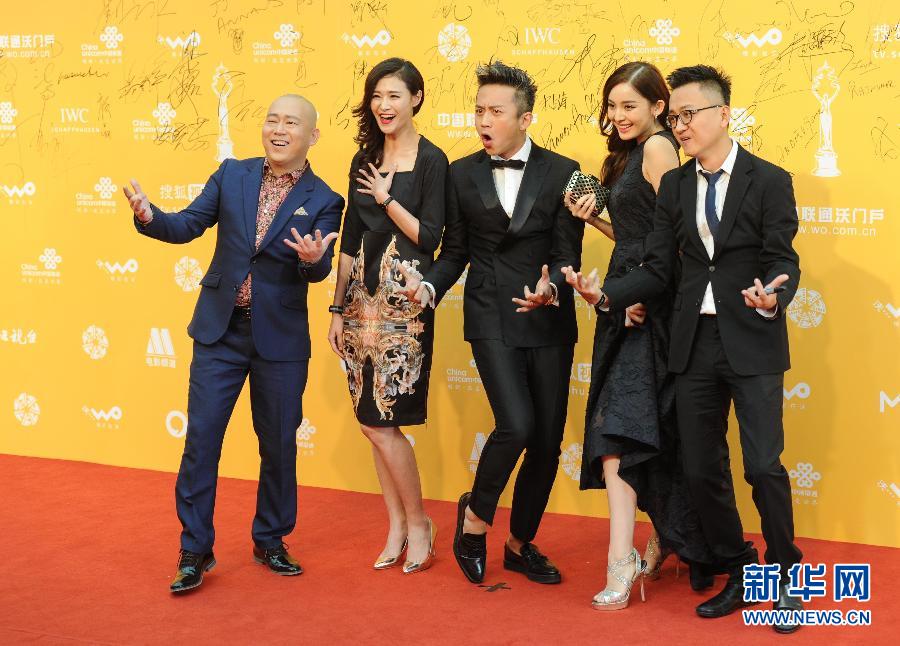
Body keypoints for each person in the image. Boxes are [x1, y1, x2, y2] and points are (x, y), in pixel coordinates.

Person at [575, 65, 804, 633]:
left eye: (689, 115)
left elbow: (782, 259)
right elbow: (658, 264)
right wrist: (607, 294)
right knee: (701, 470)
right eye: (674, 117)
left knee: (763, 466)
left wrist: (773, 297)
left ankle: (785, 577)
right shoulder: (675, 185)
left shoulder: (769, 179)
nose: (679, 126)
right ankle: (738, 568)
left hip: (752, 339)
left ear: (723, 114)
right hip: (693, 343)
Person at [122, 94, 344, 593]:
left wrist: (313, 261)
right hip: (219, 332)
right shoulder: (232, 174)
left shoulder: (326, 198)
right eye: (272, 119)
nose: (279, 129)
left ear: (312, 136)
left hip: (279, 340)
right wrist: (150, 216)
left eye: (291, 123)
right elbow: (187, 225)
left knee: (278, 442)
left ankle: (270, 539)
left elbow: (320, 266)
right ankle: (194, 549)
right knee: (201, 440)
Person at [400, 61, 584, 585]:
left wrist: (553, 288)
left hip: (548, 317)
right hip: (489, 315)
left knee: (546, 441)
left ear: (525, 119)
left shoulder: (567, 169)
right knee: (517, 425)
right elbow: (455, 250)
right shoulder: (460, 173)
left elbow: (568, 251)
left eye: (495, 111)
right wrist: (429, 287)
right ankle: (476, 518)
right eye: (479, 110)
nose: (483, 120)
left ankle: (521, 544)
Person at [562, 61, 714, 611]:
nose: (618, 115)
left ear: (658, 106)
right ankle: (663, 538)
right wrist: (594, 220)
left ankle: (621, 560)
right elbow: (636, 234)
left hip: (647, 308)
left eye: (630, 105)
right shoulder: (628, 154)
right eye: (612, 105)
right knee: (636, 430)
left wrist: (641, 298)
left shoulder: (659, 150)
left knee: (620, 434)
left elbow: (676, 242)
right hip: (623, 299)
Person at [328, 58, 447, 575]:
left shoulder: (433, 160)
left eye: (394, 95)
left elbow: (431, 236)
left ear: (416, 99)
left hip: (405, 304)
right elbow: (350, 238)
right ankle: (397, 524)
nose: (383, 105)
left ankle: (419, 523)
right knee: (370, 422)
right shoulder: (364, 156)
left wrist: (387, 198)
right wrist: (337, 308)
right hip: (359, 305)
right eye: (376, 96)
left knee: (384, 419)